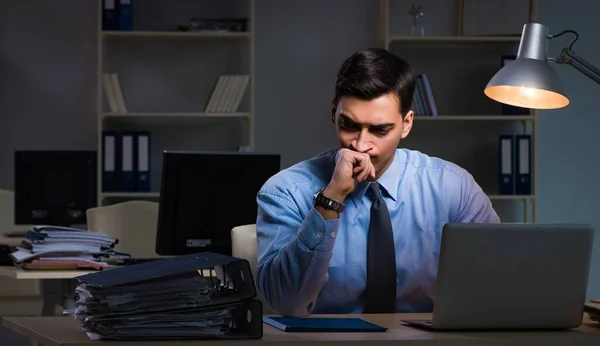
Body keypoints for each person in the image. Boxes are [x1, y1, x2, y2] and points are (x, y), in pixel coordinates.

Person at [255, 47, 500, 317]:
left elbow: (498, 282)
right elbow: (285, 302)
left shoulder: (454, 189)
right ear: (333, 112)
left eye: (380, 129)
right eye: (348, 124)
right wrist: (331, 199)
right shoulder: (284, 192)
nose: (361, 144)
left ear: (406, 124)